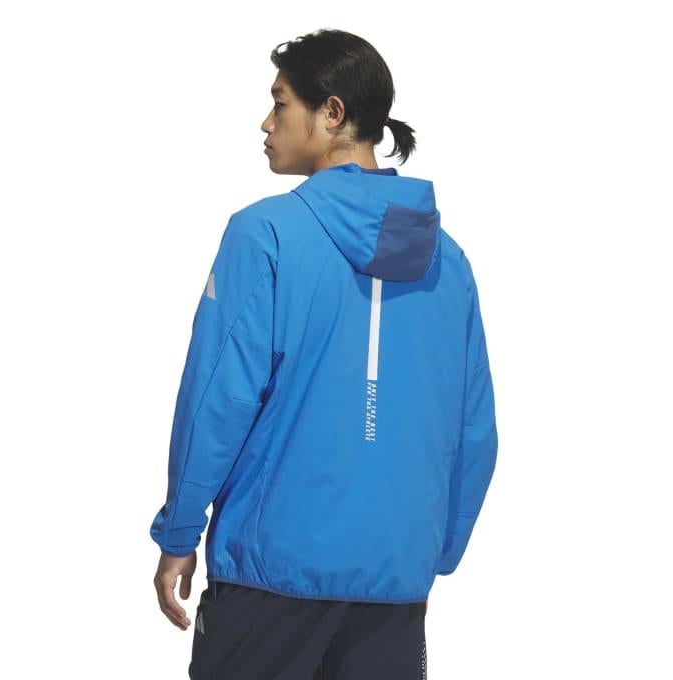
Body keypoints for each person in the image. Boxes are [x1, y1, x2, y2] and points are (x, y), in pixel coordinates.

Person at [150, 28, 498, 680]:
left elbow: (216, 398)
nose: (266, 122)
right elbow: (473, 429)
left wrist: (178, 533)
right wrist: (432, 551)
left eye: (280, 103)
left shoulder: (265, 234)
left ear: (332, 112)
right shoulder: (449, 264)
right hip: (394, 588)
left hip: (269, 582)